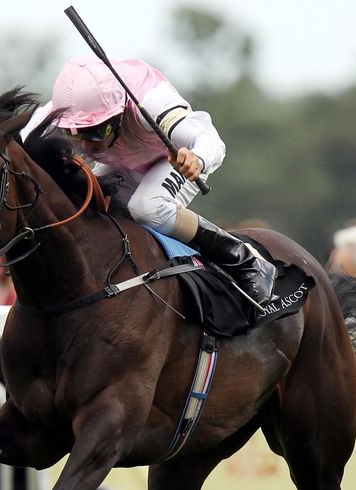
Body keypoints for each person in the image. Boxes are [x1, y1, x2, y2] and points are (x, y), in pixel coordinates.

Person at [22, 56, 277, 307]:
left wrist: (197, 159)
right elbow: (11, 149)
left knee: (147, 208)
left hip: (172, 158)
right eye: (74, 134)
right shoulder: (63, 109)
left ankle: (245, 259)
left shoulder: (150, 103)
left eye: (97, 131)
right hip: (122, 163)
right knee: (83, 203)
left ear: (119, 113)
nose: (87, 146)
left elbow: (210, 140)